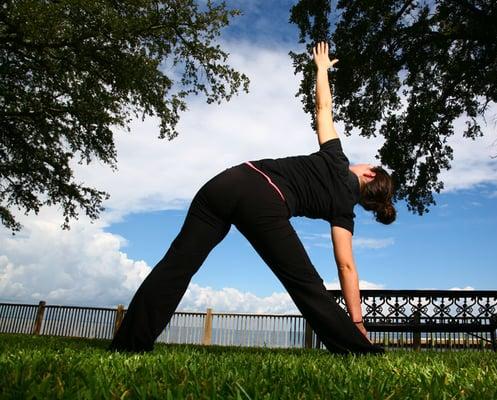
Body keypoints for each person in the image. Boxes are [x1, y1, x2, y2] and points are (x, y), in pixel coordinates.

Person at [109, 42, 396, 355]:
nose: (362, 163)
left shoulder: (336, 159)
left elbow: (323, 109)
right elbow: (346, 267)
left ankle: (129, 345)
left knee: (176, 265)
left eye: (368, 165)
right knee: (305, 284)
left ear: (368, 176)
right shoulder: (344, 211)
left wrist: (322, 71)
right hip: (263, 200)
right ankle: (357, 349)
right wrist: (356, 321)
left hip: (226, 182)